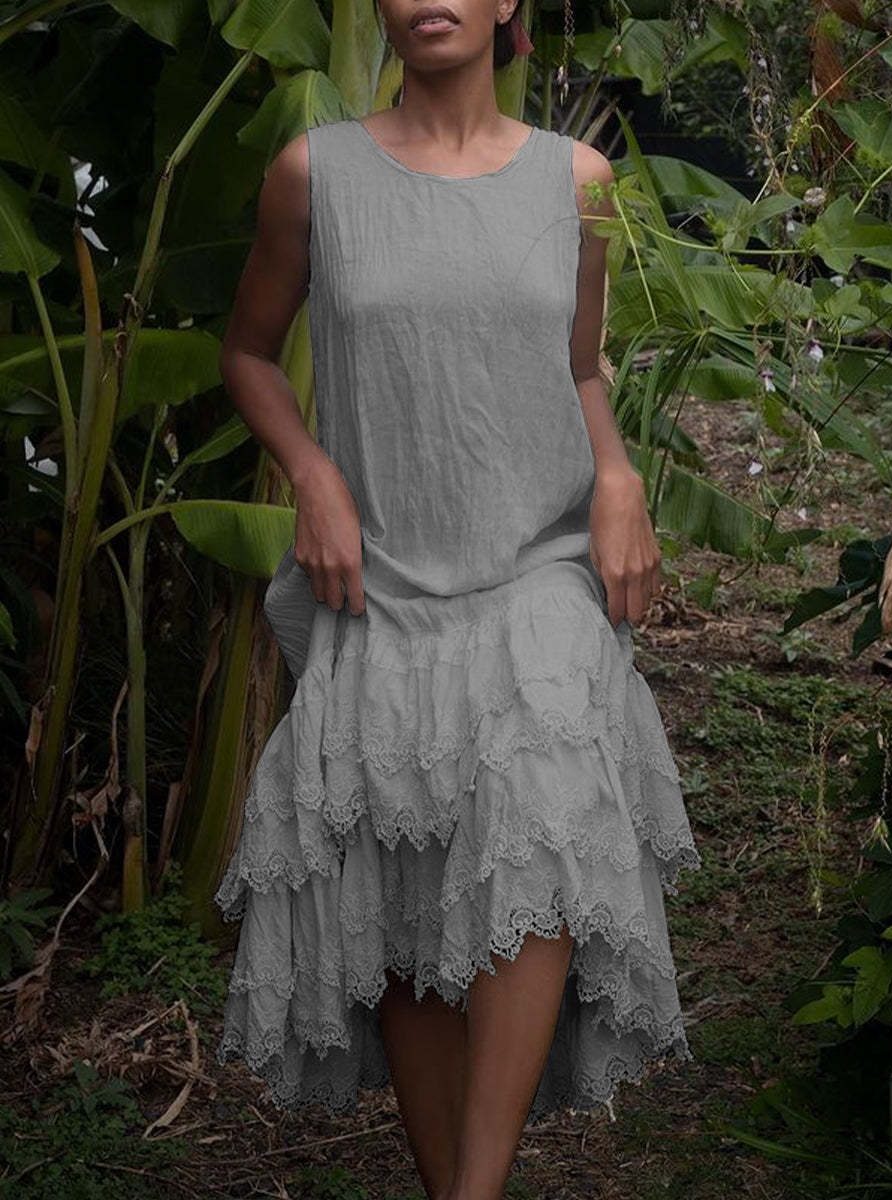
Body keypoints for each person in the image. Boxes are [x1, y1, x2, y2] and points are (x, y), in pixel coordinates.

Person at [213, 0, 703, 1197]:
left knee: (546, 806)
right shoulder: (314, 173)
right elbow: (248, 353)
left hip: (536, 560)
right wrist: (312, 473)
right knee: (404, 879)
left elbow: (578, 367)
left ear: (506, 5)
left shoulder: (580, 181)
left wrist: (620, 475)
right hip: (381, 573)